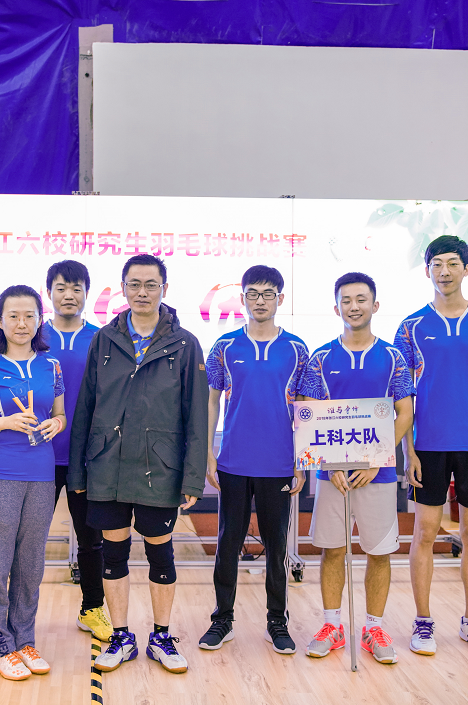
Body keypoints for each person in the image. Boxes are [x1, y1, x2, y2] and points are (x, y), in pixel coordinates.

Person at [69, 254, 208, 674]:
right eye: (134, 284)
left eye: (151, 284)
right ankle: (121, 637)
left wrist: (192, 478)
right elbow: (85, 406)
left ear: (164, 288)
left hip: (159, 467)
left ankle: (161, 637)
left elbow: (196, 416)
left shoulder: (185, 344)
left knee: (160, 554)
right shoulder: (104, 339)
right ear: (123, 288)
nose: (142, 292)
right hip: (107, 465)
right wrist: (77, 470)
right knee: (112, 553)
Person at [393, 235, 468, 657]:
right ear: (427, 270)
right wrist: (408, 450)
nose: (444, 271)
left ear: (466, 269)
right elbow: (403, 395)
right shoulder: (410, 326)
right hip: (428, 445)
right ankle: (423, 621)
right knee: (425, 532)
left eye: (452, 263)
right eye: (436, 264)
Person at [297, 272, 414, 665]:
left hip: (378, 474)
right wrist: (330, 465)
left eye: (361, 299)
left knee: (378, 553)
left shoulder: (393, 357)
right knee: (332, 550)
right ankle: (332, 626)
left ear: (375, 305)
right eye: (346, 300)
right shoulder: (320, 358)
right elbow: (309, 414)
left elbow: (404, 413)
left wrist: (375, 459)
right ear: (336, 308)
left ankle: (374, 628)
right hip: (333, 475)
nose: (354, 306)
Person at [197, 265, 308, 655]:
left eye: (268, 293)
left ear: (280, 298)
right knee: (228, 543)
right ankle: (222, 620)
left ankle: (277, 621)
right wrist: (208, 453)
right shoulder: (225, 347)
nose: (260, 300)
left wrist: (301, 461)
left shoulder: (297, 349)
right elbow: (211, 401)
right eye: (253, 294)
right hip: (233, 463)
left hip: (279, 463)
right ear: (242, 298)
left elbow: (305, 408)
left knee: (277, 547)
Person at [0, 285, 66, 681]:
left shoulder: (51, 366)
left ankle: (25, 641)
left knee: (31, 564)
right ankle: (0, 646)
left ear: (39, 320)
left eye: (29, 316)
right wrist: (4, 421)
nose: (22, 323)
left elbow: (60, 414)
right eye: (13, 316)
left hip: (41, 474)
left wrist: (57, 424)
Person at [42, 260, 110, 641]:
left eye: (76, 288)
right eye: (61, 288)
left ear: (87, 293)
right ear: (49, 292)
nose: (69, 295)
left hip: (87, 458)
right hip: (39, 456)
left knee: (91, 540)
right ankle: (21, 614)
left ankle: (92, 609)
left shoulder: (103, 338)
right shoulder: (32, 335)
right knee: (29, 541)